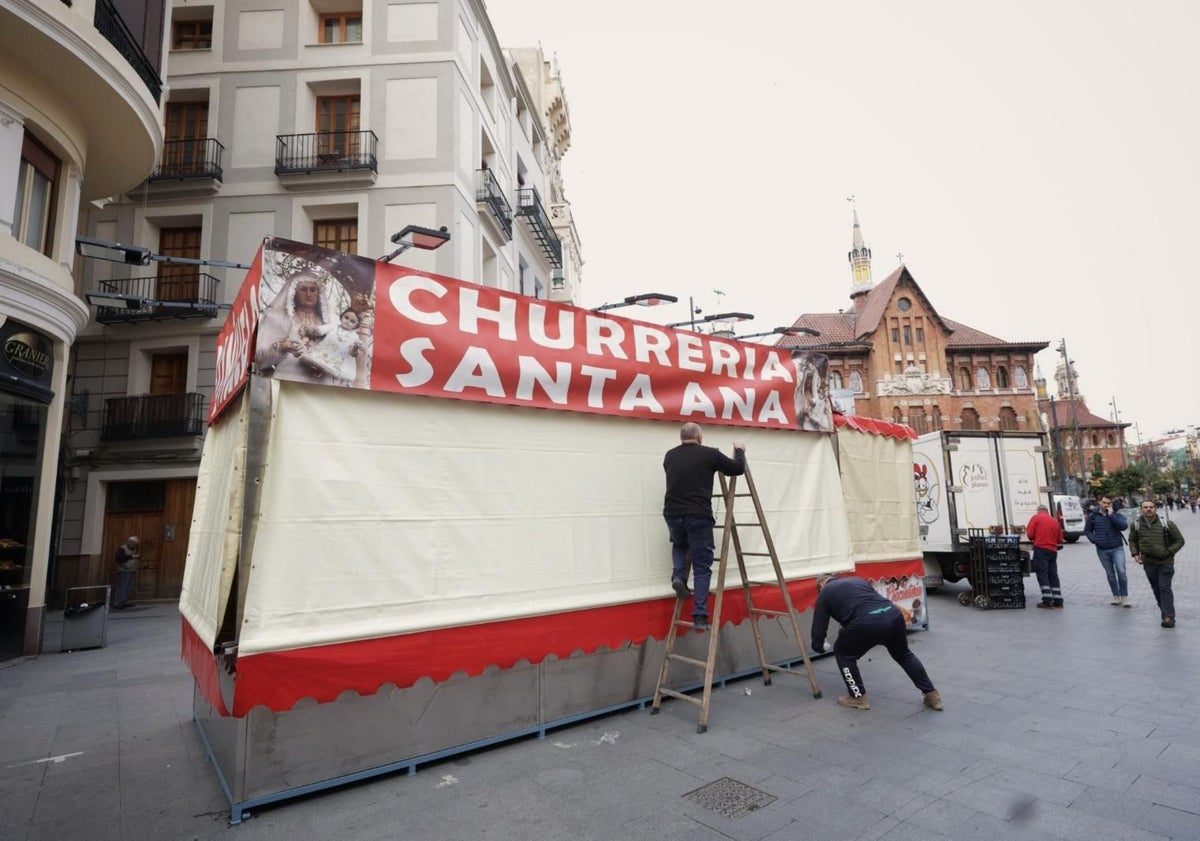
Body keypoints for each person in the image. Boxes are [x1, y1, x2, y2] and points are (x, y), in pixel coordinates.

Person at [810, 574, 942, 711]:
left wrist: (818, 647)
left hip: (866, 622)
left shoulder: (825, 592)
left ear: (821, 586)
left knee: (843, 653)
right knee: (904, 654)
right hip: (893, 615)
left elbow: (819, 627)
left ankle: (858, 696)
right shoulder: (858, 580)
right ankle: (932, 695)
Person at [662, 422, 745, 631]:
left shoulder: (669, 456)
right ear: (699, 437)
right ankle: (700, 615)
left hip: (672, 513)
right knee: (701, 567)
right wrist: (740, 450)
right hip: (698, 515)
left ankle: (678, 576)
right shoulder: (710, 454)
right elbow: (737, 469)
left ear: (682, 437)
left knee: (679, 545)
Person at [1129, 500, 1186, 628]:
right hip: (1148, 562)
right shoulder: (1136, 525)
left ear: (1155, 508)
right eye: (1145, 507)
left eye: (1151, 507)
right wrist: (1135, 554)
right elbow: (1132, 540)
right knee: (1156, 589)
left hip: (1165, 562)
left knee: (1164, 587)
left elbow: (1180, 541)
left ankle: (1168, 617)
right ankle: (1165, 612)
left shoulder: (1167, 523)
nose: (1148, 509)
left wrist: (1168, 552)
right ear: (1141, 509)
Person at [1084, 495, 1130, 607]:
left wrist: (1112, 515)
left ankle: (1124, 597)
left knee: (1121, 572)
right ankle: (1116, 596)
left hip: (1117, 548)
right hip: (1102, 549)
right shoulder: (1093, 516)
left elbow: (1123, 526)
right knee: (1110, 574)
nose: (1106, 505)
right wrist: (1095, 540)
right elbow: (1087, 530)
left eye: (1108, 503)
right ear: (1099, 502)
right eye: (1104, 502)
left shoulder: (1116, 514)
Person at [300, 307, 365, 386]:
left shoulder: (354, 336)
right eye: (346, 317)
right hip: (326, 349)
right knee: (318, 359)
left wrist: (356, 347)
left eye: (352, 321)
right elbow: (321, 330)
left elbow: (353, 349)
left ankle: (325, 374)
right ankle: (317, 370)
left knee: (333, 367)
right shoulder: (333, 326)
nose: (348, 321)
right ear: (341, 316)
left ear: (355, 326)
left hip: (339, 355)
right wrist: (313, 330)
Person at [1025, 503, 1064, 608]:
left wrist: (1035, 538)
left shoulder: (1036, 518)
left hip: (1041, 549)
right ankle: (1058, 599)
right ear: (1047, 511)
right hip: (1053, 550)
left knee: (1042, 573)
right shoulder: (1054, 520)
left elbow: (1030, 534)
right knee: (1053, 574)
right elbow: (1060, 539)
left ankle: (1047, 599)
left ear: (1038, 511)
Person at [112, 535, 139, 610]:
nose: (135, 545)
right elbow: (119, 559)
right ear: (130, 542)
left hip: (131, 570)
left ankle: (123, 602)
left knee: (128, 587)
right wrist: (131, 557)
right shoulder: (122, 549)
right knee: (122, 587)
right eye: (134, 543)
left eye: (136, 544)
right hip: (124, 570)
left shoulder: (133, 549)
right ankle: (117, 603)